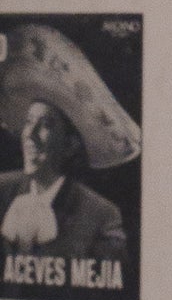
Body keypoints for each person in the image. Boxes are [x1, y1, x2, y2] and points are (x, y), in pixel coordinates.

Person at [0, 99, 129, 280]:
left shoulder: (102, 217)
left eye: (45, 125)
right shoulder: (2, 190)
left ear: (70, 145)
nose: (29, 134)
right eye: (29, 122)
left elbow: (110, 294)